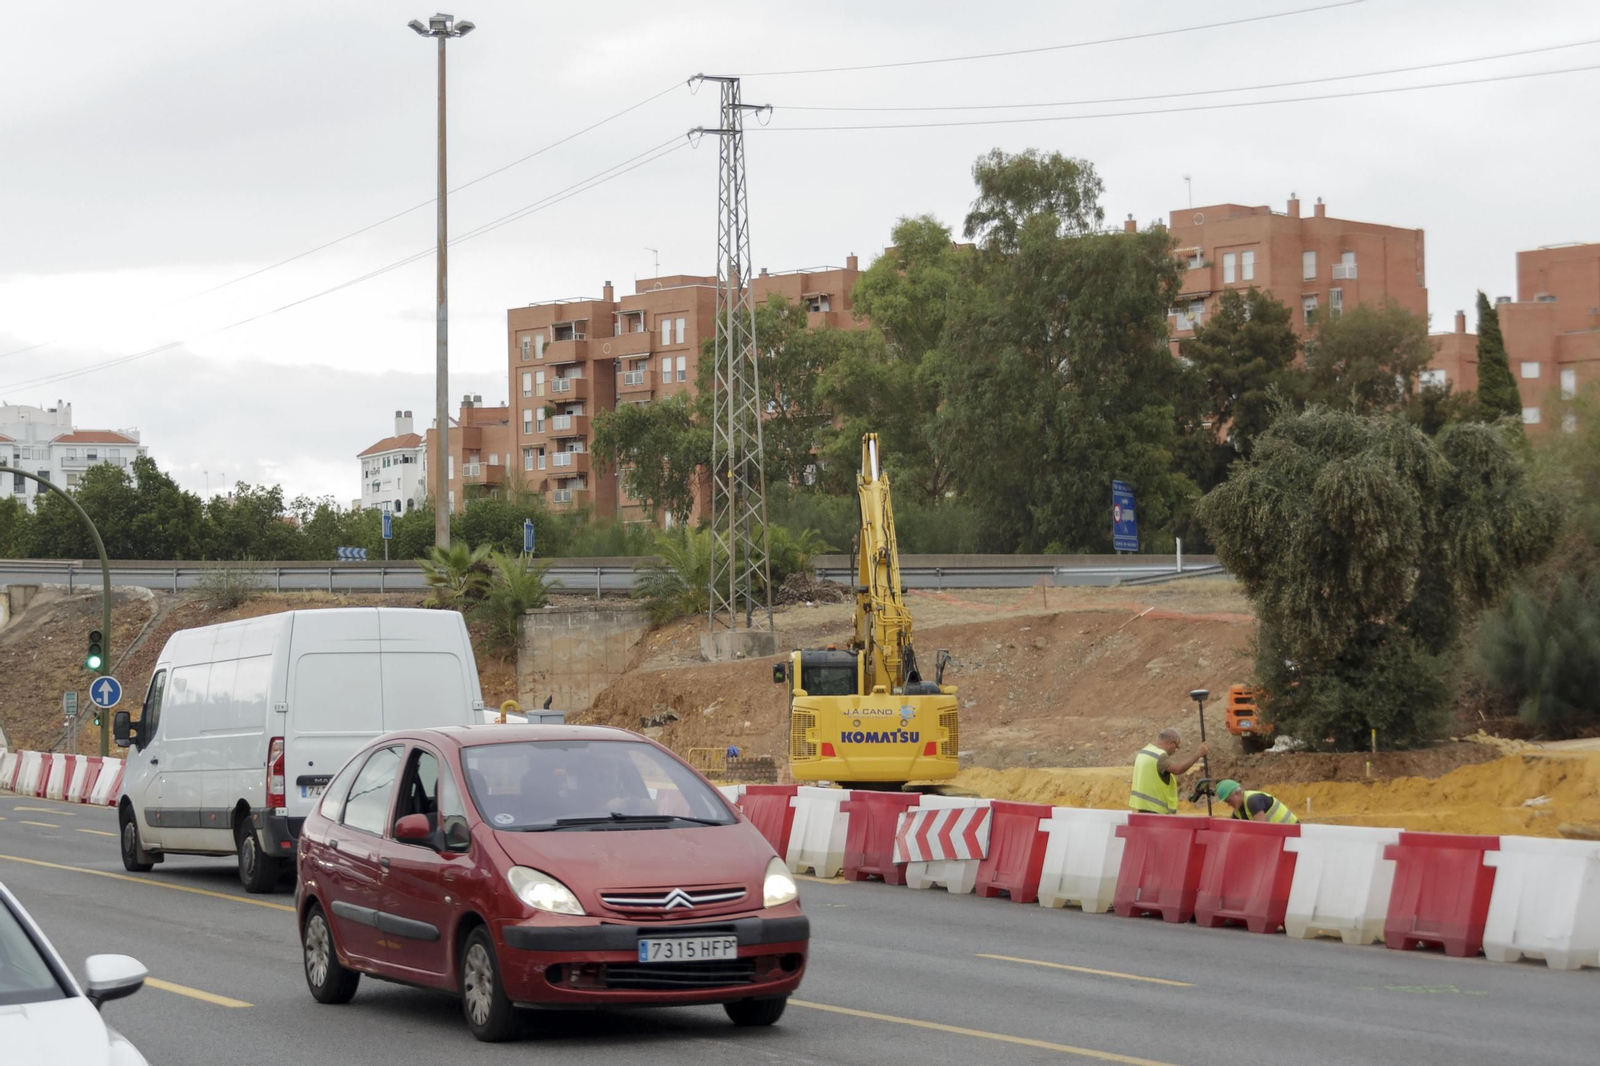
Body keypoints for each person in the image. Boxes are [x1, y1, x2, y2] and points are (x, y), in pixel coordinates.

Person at [1129, 728, 1207, 814]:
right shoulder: (1160, 756)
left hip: (1142, 807)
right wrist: (1198, 754)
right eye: (1176, 747)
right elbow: (1178, 769)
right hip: (1156, 810)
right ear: (1171, 743)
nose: (1175, 751)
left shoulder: (1144, 752)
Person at [1215, 779, 1299, 824]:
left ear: (1237, 793)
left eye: (1229, 800)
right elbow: (1233, 829)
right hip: (1282, 835)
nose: (1229, 805)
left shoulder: (1253, 800)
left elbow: (1261, 829)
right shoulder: (1238, 811)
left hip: (1292, 830)